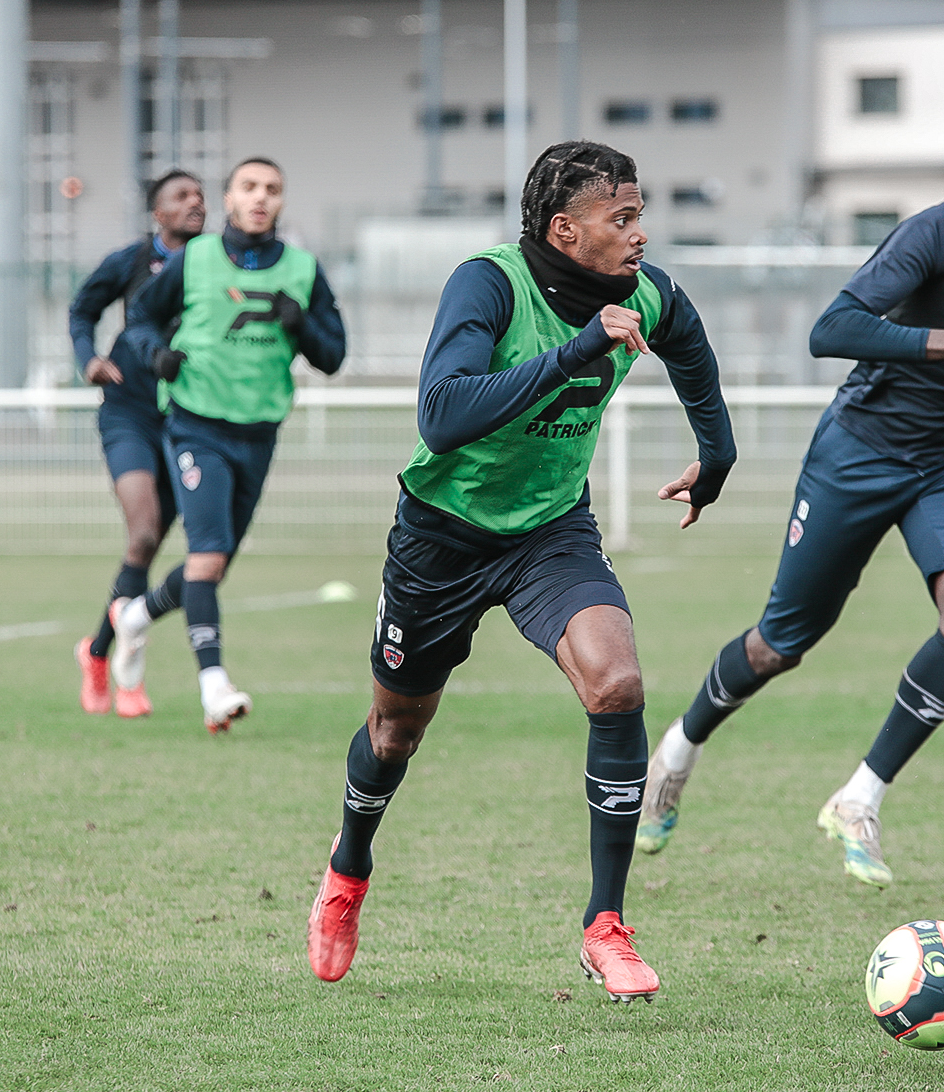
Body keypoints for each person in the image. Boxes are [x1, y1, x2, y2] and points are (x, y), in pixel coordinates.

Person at [635, 107, 944, 888]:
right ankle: (676, 754)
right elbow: (832, 328)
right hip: (860, 449)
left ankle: (861, 797)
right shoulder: (939, 235)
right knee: (780, 645)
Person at [304, 141, 736, 1002]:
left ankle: (605, 926)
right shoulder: (489, 282)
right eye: (624, 218)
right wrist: (577, 350)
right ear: (565, 230)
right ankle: (348, 870)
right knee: (395, 734)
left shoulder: (646, 291)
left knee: (617, 683)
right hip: (442, 538)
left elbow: (688, 343)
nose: (641, 233)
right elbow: (442, 414)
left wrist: (716, 453)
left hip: (549, 533)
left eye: (641, 213)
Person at [112, 157, 346, 733]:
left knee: (210, 565)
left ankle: (136, 615)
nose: (260, 197)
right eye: (249, 187)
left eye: (272, 188)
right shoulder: (194, 260)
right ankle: (213, 685)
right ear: (229, 199)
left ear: (282, 200)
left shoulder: (302, 269)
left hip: (259, 432)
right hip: (196, 425)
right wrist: (155, 356)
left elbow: (334, 356)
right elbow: (138, 319)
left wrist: (302, 326)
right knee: (208, 555)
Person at [69, 169, 206, 718]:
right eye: (182, 196)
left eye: (200, 195)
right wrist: (89, 359)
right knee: (144, 533)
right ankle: (128, 676)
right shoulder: (129, 261)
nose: (195, 202)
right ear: (159, 214)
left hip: (192, 418)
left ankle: (97, 651)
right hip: (128, 411)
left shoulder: (217, 265)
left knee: (182, 551)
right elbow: (83, 309)